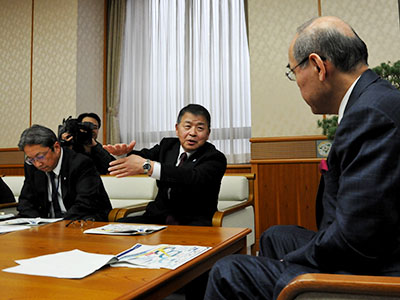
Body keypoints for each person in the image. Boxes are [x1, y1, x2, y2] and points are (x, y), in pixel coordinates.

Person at [204, 16, 400, 300]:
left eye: (293, 71)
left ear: (319, 66)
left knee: (228, 272)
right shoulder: (373, 99)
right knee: (275, 235)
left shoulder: (371, 115)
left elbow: (354, 241)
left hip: (376, 271)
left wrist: (289, 262)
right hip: (374, 248)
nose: (295, 81)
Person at [104, 104, 227, 226]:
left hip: (192, 222)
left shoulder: (215, 158)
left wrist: (148, 167)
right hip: (156, 218)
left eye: (200, 128)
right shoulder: (167, 146)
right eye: (187, 126)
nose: (192, 133)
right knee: (116, 228)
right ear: (177, 129)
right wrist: (121, 154)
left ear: (208, 133)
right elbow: (142, 157)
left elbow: (191, 177)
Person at [17, 124, 112, 221]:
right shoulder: (32, 167)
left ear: (56, 147)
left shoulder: (81, 164)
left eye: (40, 157)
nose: (37, 164)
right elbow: (25, 203)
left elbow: (85, 204)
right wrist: (37, 222)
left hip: (81, 223)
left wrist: (57, 225)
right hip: (47, 228)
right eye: (31, 159)